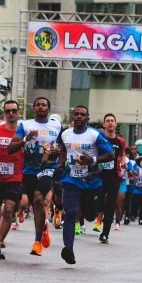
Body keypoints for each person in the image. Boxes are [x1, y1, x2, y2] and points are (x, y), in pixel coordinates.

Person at [56, 105, 113, 264]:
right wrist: (61, 164)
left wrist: (93, 160)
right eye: (76, 114)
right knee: (70, 213)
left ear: (87, 118)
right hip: (71, 179)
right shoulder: (66, 134)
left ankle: (89, 214)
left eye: (82, 114)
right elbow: (63, 150)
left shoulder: (95, 135)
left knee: (88, 215)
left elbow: (110, 154)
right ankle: (68, 249)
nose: (79, 117)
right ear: (73, 117)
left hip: (91, 182)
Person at [8, 97, 62, 256]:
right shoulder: (24, 125)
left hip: (48, 169)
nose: (40, 107)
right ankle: (43, 227)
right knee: (35, 205)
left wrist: (58, 155)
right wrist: (25, 139)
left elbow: (63, 145)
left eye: (44, 105)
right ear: (34, 108)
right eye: (37, 104)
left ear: (48, 109)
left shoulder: (57, 125)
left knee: (39, 198)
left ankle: (37, 242)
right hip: (30, 170)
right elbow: (10, 148)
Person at [0, 100, 24, 260]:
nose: (11, 114)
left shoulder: (23, 133)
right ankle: (0, 230)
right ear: (4, 113)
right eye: (8, 111)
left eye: (14, 110)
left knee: (8, 210)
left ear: (18, 112)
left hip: (14, 178)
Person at [101, 113, 127, 241]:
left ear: (115, 124)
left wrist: (123, 161)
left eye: (112, 121)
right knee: (99, 203)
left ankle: (105, 233)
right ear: (104, 124)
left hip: (114, 175)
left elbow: (122, 155)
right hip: (99, 174)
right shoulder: (99, 138)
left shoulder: (120, 141)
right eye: (108, 121)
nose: (110, 123)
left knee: (110, 204)